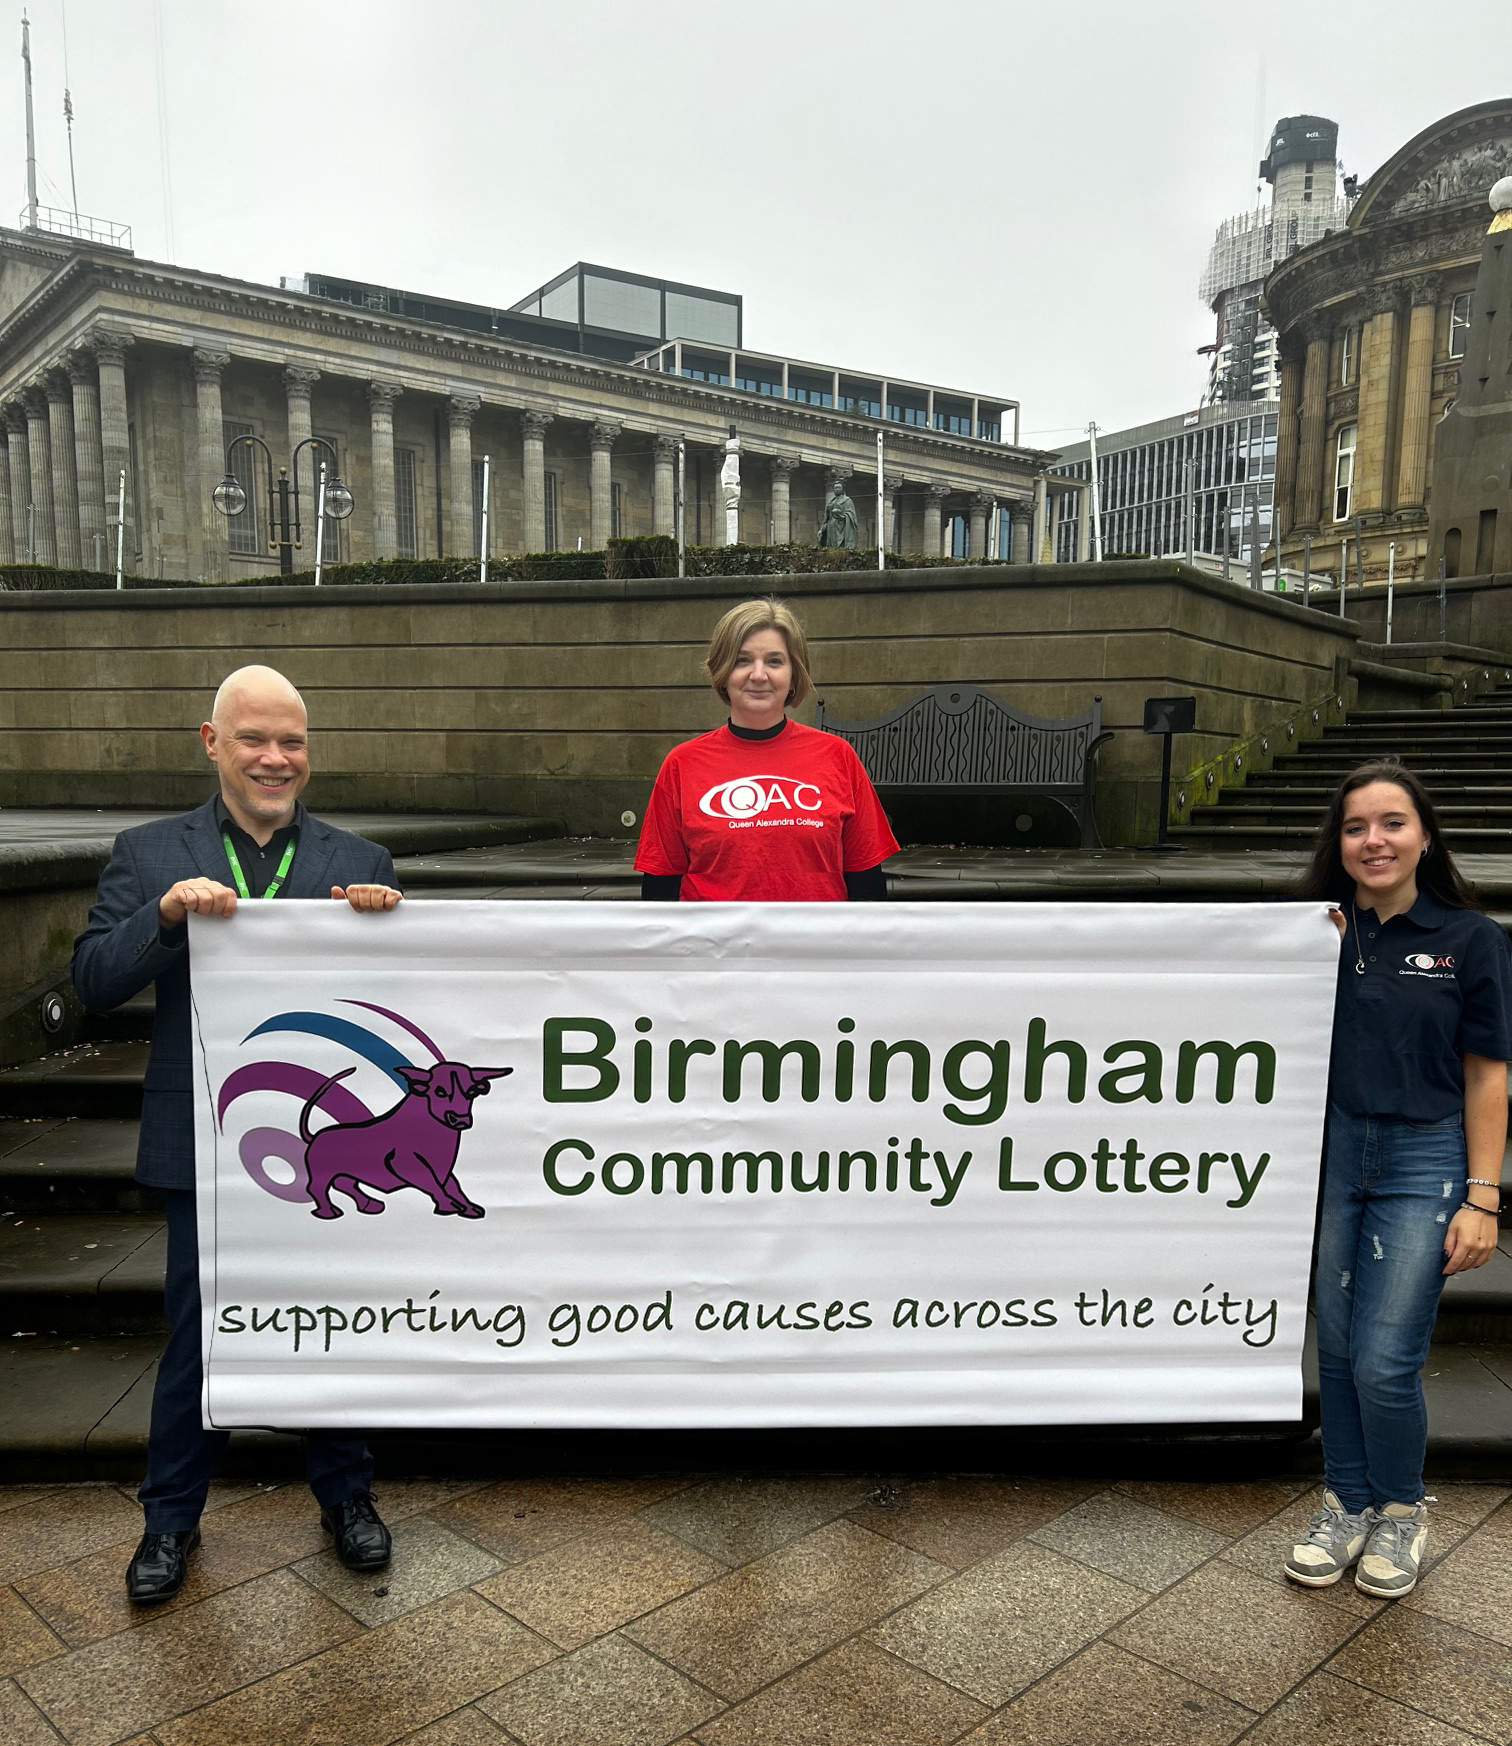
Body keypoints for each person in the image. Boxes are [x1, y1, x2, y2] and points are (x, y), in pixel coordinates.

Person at [71, 665, 406, 1604]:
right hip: (204, 1144)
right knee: (199, 1338)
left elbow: (400, 1004)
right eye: (254, 739)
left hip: (328, 1139)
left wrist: (387, 935)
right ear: (213, 743)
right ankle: (170, 1522)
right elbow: (93, 978)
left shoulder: (360, 863)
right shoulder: (147, 854)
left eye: (291, 741)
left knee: (334, 1320)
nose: (274, 758)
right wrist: (167, 915)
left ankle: (347, 1497)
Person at [1285, 758, 1508, 1598]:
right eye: (1354, 827)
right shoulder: (1315, 935)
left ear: (1424, 835)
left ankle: (1402, 1511)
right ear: (1336, 843)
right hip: (1333, 1153)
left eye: (1391, 823)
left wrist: (1482, 1197)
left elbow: (1489, 1074)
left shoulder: (1472, 941)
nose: (1372, 840)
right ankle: (1345, 1503)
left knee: (1385, 1357)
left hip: (1424, 1156)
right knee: (1337, 1350)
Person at [635, 597, 897, 901]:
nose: (758, 675)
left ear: (793, 674)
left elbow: (866, 880)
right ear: (722, 671)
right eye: (742, 660)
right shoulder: (682, 764)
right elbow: (660, 887)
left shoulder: (838, 756)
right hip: (714, 946)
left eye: (774, 661)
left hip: (814, 943)